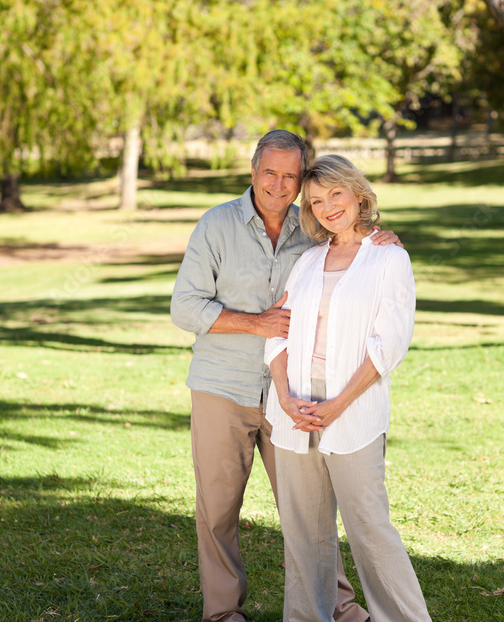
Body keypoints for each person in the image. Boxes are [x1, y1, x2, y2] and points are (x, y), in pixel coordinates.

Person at [171, 130, 397, 622]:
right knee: (219, 508)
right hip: (222, 387)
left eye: (289, 175)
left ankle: (337, 608)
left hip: (292, 396)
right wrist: (257, 323)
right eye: (269, 172)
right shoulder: (215, 226)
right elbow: (184, 307)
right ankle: (223, 613)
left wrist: (381, 236)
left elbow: (355, 248)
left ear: (300, 181)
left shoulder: (313, 227)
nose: (278, 183)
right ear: (253, 171)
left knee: (309, 510)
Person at [266, 154, 430, 622]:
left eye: (336, 194)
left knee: (370, 530)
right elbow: (278, 329)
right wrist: (283, 396)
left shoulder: (389, 258)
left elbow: (388, 344)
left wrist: (337, 404)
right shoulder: (309, 261)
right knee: (304, 536)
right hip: (294, 412)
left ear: (359, 194)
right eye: (316, 200)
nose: (327, 207)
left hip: (352, 414)